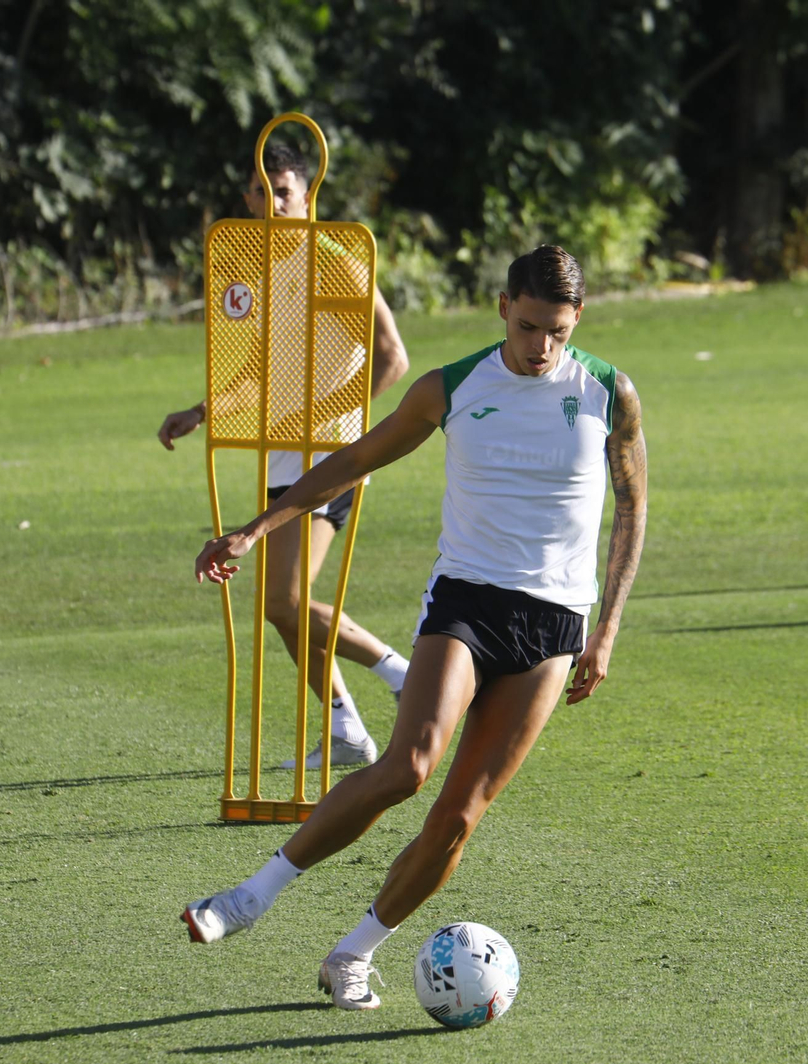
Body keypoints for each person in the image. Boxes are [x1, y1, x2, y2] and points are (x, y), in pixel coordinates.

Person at [181, 245, 648, 1012]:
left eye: (558, 332)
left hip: (557, 627)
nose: (542, 348)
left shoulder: (607, 391)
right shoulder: (452, 387)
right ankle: (246, 899)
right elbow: (357, 456)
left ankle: (353, 954)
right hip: (467, 603)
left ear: (578, 321)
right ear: (503, 306)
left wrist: (609, 628)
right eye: (530, 326)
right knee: (407, 766)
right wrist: (256, 529)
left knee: (459, 818)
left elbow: (632, 505)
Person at [158, 143, 412, 769]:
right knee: (279, 606)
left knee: (286, 601)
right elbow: (263, 366)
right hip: (281, 454)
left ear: (307, 195)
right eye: (259, 191)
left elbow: (392, 355)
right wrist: (203, 409)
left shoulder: (333, 258)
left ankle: (405, 676)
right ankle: (347, 725)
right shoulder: (266, 267)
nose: (269, 202)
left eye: (283, 191)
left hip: (329, 453)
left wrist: (338, 421)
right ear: (245, 198)